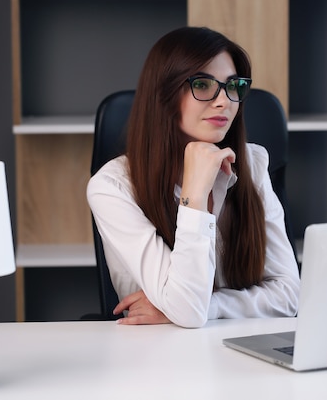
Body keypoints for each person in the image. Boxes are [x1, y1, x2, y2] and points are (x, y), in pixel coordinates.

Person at [87, 26, 300, 328]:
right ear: (164, 93)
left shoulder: (251, 162)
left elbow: (290, 295)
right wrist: (195, 195)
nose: (224, 101)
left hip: (238, 345)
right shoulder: (112, 188)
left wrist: (204, 307)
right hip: (154, 356)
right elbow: (188, 310)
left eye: (233, 86)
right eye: (203, 84)